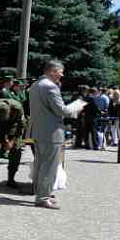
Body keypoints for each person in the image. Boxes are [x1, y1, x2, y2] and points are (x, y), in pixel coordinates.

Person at [28, 60, 74, 210]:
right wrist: (77, 107)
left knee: (41, 164)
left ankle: (40, 193)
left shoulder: (35, 85)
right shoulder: (51, 87)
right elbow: (61, 110)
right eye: (61, 71)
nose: (62, 75)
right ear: (53, 71)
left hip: (38, 131)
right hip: (51, 132)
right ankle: (43, 198)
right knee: (49, 166)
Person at [0, 98, 25, 189]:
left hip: (13, 127)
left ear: (10, 111)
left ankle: (11, 179)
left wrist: (12, 141)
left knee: (16, 151)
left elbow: (21, 126)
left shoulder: (18, 108)